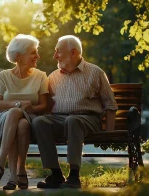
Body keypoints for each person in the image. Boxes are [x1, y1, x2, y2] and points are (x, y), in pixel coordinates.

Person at [31, 35, 118, 189]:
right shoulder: (53, 77)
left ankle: (74, 176)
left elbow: (110, 104)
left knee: (73, 120)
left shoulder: (95, 72)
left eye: (58, 51)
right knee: (39, 122)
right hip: (58, 119)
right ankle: (56, 174)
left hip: (87, 119)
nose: (54, 55)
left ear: (73, 52)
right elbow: (46, 105)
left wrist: (108, 134)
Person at [0, 34, 49, 190]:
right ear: (19, 56)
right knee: (18, 120)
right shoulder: (3, 76)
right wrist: (18, 104)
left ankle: (3, 167)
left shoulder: (41, 76)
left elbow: (44, 106)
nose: (37, 56)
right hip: (3, 118)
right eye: (33, 52)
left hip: (31, 116)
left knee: (21, 121)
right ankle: (19, 172)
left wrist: (32, 108)